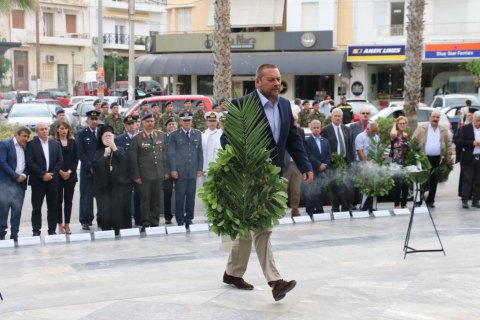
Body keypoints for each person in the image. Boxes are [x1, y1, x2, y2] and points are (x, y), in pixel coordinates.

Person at [221, 64, 313, 302]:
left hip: (273, 177)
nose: (276, 83)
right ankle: (275, 281)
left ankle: (232, 273)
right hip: (248, 177)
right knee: (263, 226)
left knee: (245, 229)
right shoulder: (242, 106)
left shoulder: (284, 105)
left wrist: (305, 166)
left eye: (279, 79)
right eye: (271, 79)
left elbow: (292, 139)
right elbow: (225, 140)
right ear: (258, 82)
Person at [131, 113, 169, 230]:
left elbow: (165, 155)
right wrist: (136, 175)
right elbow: (134, 159)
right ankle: (145, 222)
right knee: (145, 200)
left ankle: (155, 222)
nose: (150, 123)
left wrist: (166, 171)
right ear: (142, 123)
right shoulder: (137, 138)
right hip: (144, 175)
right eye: (147, 121)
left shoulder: (161, 135)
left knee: (156, 200)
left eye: (152, 121)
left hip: (158, 174)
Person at [26, 122, 63, 236]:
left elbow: (59, 160)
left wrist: (52, 174)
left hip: (52, 180)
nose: (44, 131)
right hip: (38, 181)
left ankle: (52, 230)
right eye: (41, 129)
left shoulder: (55, 144)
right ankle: (36, 230)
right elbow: (30, 162)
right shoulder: (31, 144)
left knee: (53, 207)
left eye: (46, 129)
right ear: (37, 132)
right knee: (37, 208)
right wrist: (42, 174)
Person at [168, 111, 203, 228]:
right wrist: (173, 169)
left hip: (192, 170)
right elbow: (171, 154)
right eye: (184, 120)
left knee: (191, 196)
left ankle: (189, 218)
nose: (187, 122)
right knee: (180, 196)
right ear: (180, 121)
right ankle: (180, 219)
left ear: (192, 121)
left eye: (189, 120)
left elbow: (200, 152)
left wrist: (200, 168)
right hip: (180, 171)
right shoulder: (174, 135)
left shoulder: (197, 134)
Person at [93, 126, 130, 235]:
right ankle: (106, 229)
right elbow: (96, 167)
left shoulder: (120, 149)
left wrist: (115, 149)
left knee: (119, 208)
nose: (108, 138)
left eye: (110, 136)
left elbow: (125, 163)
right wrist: (105, 155)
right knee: (106, 209)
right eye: (106, 136)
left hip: (118, 185)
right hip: (105, 186)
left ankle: (120, 228)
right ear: (102, 138)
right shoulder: (99, 151)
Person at [412, 110, 452, 208]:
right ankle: (419, 201)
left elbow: (448, 145)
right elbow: (413, 141)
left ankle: (430, 201)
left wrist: (448, 157)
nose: (435, 119)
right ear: (429, 117)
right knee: (422, 180)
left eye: (437, 117)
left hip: (437, 158)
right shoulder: (422, 128)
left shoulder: (443, 130)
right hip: (424, 158)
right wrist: (415, 154)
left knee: (434, 180)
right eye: (433, 117)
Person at [0, 126, 31, 241]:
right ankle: (1, 234)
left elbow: (29, 164)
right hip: (6, 184)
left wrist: (23, 175)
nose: (26, 139)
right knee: (3, 210)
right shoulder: (5, 144)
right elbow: (2, 163)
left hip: (20, 184)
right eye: (24, 136)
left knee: (17, 210)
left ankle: (15, 234)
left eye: (27, 137)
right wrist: (15, 176)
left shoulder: (26, 148)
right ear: (16, 135)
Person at [321, 108, 355, 212]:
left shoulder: (347, 129)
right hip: (332, 162)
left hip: (345, 162)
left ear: (342, 117)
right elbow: (324, 147)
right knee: (334, 186)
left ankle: (345, 207)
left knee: (345, 185)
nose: (337, 118)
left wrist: (351, 161)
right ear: (331, 117)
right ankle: (335, 207)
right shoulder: (325, 130)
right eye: (335, 116)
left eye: (339, 116)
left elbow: (350, 146)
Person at [115, 115, 141, 226]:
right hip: (125, 174)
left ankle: (139, 220)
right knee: (125, 198)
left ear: (136, 124)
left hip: (139, 173)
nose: (131, 126)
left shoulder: (142, 136)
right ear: (125, 126)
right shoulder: (119, 139)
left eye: (133, 123)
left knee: (139, 197)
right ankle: (126, 222)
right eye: (128, 124)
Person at [77, 110, 100, 230]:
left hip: (100, 169)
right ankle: (85, 220)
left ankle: (101, 218)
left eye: (96, 119)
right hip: (87, 170)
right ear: (88, 120)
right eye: (92, 119)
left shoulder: (101, 132)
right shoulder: (82, 133)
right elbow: (80, 152)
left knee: (101, 195)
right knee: (86, 196)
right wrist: (89, 165)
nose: (94, 121)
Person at [54, 121, 78, 234]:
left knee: (68, 200)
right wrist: (60, 172)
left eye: (66, 128)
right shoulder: (54, 143)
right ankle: (59, 225)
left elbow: (75, 159)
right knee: (58, 201)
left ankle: (67, 224)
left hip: (70, 176)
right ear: (58, 130)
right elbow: (53, 160)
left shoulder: (73, 142)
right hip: (58, 176)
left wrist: (68, 172)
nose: (64, 131)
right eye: (62, 128)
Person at [304, 120, 331, 217]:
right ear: (311, 129)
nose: (316, 129)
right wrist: (318, 164)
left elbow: (329, 154)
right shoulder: (307, 141)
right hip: (312, 169)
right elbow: (308, 155)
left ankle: (319, 209)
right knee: (311, 190)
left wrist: (325, 164)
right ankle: (310, 210)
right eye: (314, 127)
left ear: (321, 128)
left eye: (318, 127)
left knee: (320, 190)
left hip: (323, 170)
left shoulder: (325, 141)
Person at [283, 113, 305, 217]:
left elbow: (303, 148)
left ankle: (295, 211)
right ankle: (281, 212)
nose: (293, 121)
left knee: (296, 190)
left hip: (297, 165)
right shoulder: (282, 130)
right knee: (282, 190)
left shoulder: (300, 131)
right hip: (285, 165)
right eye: (292, 119)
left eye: (295, 119)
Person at [355, 122, 380, 211]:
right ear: (367, 129)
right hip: (363, 163)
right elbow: (360, 151)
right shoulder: (360, 136)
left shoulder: (376, 137)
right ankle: (363, 206)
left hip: (373, 164)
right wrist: (366, 164)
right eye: (373, 132)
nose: (374, 134)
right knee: (364, 186)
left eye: (376, 132)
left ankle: (372, 206)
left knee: (374, 185)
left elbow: (377, 150)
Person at [457, 111, 480, 209]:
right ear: (473, 119)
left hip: (479, 157)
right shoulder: (465, 128)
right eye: (478, 120)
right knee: (467, 179)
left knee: (478, 181)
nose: (479, 122)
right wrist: (473, 143)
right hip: (468, 158)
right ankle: (465, 200)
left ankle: (476, 201)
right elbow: (460, 141)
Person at [390, 116, 410, 209]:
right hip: (396, 162)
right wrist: (395, 124)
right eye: (400, 123)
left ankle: (404, 204)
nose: (402, 125)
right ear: (397, 125)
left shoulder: (406, 135)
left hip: (405, 161)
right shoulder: (395, 134)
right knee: (397, 184)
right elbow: (393, 133)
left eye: (404, 123)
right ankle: (396, 204)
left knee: (406, 184)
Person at [163, 117, 178, 224]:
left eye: (173, 124)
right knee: (167, 194)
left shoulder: (181, 136)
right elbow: (161, 155)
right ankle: (168, 216)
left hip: (179, 171)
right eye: (170, 124)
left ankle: (180, 215)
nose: (172, 126)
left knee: (180, 194)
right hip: (167, 171)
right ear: (166, 127)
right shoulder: (163, 137)